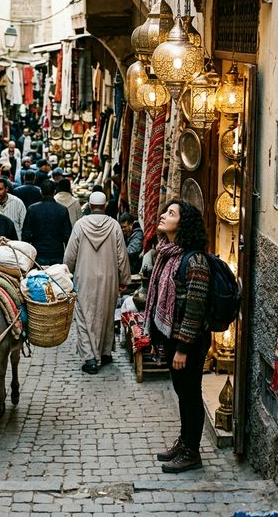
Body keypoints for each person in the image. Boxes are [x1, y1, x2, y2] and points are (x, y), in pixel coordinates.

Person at [143, 199, 211, 474]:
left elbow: (195, 308)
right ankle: (184, 443)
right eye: (165, 211)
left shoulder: (194, 260)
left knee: (191, 393)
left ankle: (192, 452)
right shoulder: (168, 254)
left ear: (183, 224)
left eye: (171, 214)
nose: (162, 216)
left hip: (190, 341)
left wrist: (183, 347)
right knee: (182, 392)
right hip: (175, 338)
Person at [63, 191, 130, 374]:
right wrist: (124, 278)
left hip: (84, 278)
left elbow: (70, 255)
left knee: (85, 316)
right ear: (105, 205)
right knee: (106, 314)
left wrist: (65, 272)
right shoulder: (114, 225)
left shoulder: (80, 225)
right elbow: (122, 256)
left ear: (91, 206)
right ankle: (105, 352)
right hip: (109, 279)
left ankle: (90, 359)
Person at [22, 180, 72, 265]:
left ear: (41, 192)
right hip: (57, 253)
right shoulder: (62, 210)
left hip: (37, 253)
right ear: (54, 192)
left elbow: (26, 234)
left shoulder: (32, 209)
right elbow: (67, 235)